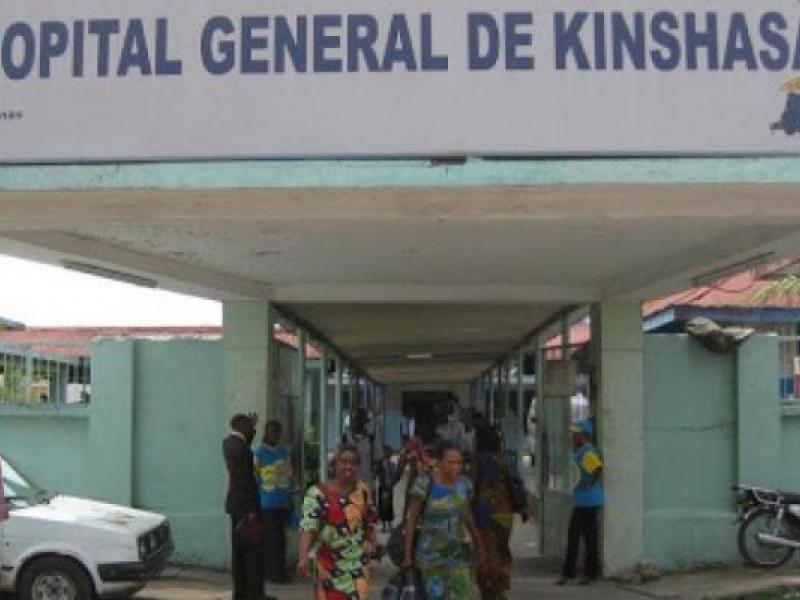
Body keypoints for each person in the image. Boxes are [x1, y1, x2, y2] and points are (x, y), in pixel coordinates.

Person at [402, 441, 488, 600]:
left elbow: (467, 515)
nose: (456, 467)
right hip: (431, 556)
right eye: (451, 463)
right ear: (439, 462)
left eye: (459, 463)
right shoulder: (424, 484)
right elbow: (411, 521)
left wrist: (479, 544)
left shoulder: (464, 485)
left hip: (459, 554)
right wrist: (408, 555)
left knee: (461, 594)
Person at [298, 445, 377, 600]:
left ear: (358, 466)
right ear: (334, 465)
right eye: (344, 461)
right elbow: (309, 528)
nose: (348, 466)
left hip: (358, 566)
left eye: (353, 462)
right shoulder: (318, 494)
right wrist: (303, 557)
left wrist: (374, 544)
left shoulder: (363, 491)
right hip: (328, 567)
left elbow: (369, 522)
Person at [472, 426, 528, 600]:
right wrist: (523, 506)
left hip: (481, 513)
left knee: (484, 550)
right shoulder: (505, 459)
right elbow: (516, 484)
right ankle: (500, 587)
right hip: (504, 513)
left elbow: (470, 487)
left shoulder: (475, 461)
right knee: (502, 550)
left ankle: (487, 588)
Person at [222, 413, 267, 600]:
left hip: (235, 506)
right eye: (251, 427)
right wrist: (251, 511)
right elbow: (245, 481)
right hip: (246, 508)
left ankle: (240, 593)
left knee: (239, 553)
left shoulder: (228, 443)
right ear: (243, 427)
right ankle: (254, 593)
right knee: (252, 553)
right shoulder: (244, 450)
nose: (254, 430)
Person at [557, 419, 603, 586]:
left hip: (588, 501)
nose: (573, 436)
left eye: (576, 434)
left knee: (583, 537)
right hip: (583, 501)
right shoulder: (581, 451)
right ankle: (575, 573)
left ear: (583, 435)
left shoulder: (587, 452)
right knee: (580, 537)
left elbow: (597, 469)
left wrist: (589, 483)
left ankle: (583, 574)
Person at [254, 420, 292, 584]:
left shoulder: (284, 452)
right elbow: (254, 479)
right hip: (266, 503)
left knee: (281, 540)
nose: (274, 435)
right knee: (270, 540)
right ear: (266, 432)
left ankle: (280, 571)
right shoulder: (259, 453)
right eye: (271, 431)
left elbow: (289, 475)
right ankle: (271, 573)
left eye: (277, 432)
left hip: (282, 502)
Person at [375, 444, 397, 532]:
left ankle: (390, 524)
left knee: (389, 506)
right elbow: (377, 474)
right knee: (382, 507)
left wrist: (391, 484)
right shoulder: (380, 464)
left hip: (389, 487)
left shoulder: (392, 464)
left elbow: (394, 475)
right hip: (382, 486)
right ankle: (384, 525)